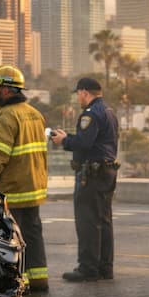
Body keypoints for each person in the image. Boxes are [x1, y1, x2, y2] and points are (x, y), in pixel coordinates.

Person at [0, 65, 50, 293]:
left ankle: (22, 283)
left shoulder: (6, 117)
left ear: (7, 90)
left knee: (13, 238)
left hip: (13, 189)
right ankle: (39, 280)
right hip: (34, 187)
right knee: (33, 234)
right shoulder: (34, 113)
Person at [51, 77, 119, 282]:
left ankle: (88, 268)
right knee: (104, 221)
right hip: (107, 171)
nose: (78, 98)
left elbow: (84, 143)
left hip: (91, 174)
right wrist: (70, 137)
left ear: (84, 92)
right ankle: (105, 268)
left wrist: (64, 140)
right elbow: (95, 140)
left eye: (78, 94)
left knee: (87, 221)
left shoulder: (90, 114)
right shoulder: (108, 111)